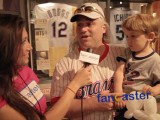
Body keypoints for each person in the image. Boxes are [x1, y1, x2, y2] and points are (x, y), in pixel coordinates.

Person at [0, 14, 92, 120]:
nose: (30, 47)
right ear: (5, 47)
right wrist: (75, 84)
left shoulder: (25, 71)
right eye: (23, 41)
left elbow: (36, 103)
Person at [50, 2, 125, 120]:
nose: (83, 29)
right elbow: (57, 108)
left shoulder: (121, 54)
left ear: (103, 28)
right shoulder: (65, 63)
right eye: (80, 25)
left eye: (90, 24)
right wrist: (92, 104)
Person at [113, 14, 160, 119]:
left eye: (133, 36)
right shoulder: (127, 52)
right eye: (127, 36)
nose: (128, 41)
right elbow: (119, 72)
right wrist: (118, 93)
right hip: (124, 102)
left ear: (150, 36)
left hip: (142, 105)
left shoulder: (155, 60)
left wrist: (154, 90)